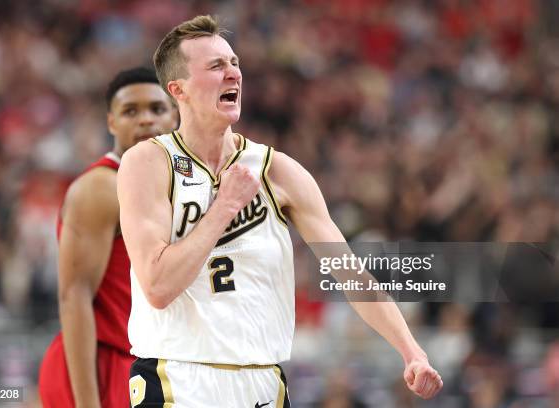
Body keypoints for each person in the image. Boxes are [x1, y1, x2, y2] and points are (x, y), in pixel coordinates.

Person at [118, 16, 443, 407]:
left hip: (263, 381)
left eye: (234, 63)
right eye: (216, 66)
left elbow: (351, 274)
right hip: (177, 377)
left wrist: (411, 351)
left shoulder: (277, 169)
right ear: (179, 89)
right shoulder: (149, 163)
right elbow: (157, 286)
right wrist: (225, 206)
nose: (232, 74)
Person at [38, 67, 178, 408]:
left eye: (156, 109)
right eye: (131, 111)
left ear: (175, 116)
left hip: (148, 364)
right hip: (100, 364)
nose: (145, 120)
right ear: (111, 123)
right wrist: (88, 402)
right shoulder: (101, 186)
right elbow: (74, 297)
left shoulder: (179, 184)